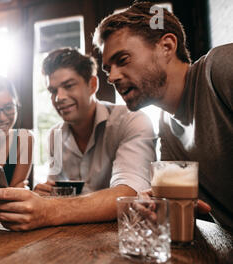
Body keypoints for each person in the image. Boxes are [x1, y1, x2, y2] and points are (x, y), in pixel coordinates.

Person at [0, 50, 156, 231]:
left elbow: (131, 194)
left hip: (124, 236)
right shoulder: (54, 135)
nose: (59, 98)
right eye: (53, 90)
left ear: (92, 85)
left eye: (69, 86)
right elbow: (53, 193)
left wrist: (49, 209)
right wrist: (43, 196)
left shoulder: (131, 121)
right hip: (70, 241)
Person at [93, 1, 232, 230]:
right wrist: (159, 206)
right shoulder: (166, 126)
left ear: (166, 46)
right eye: (108, 70)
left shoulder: (220, 68)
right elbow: (195, 211)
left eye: (123, 60)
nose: (113, 77)